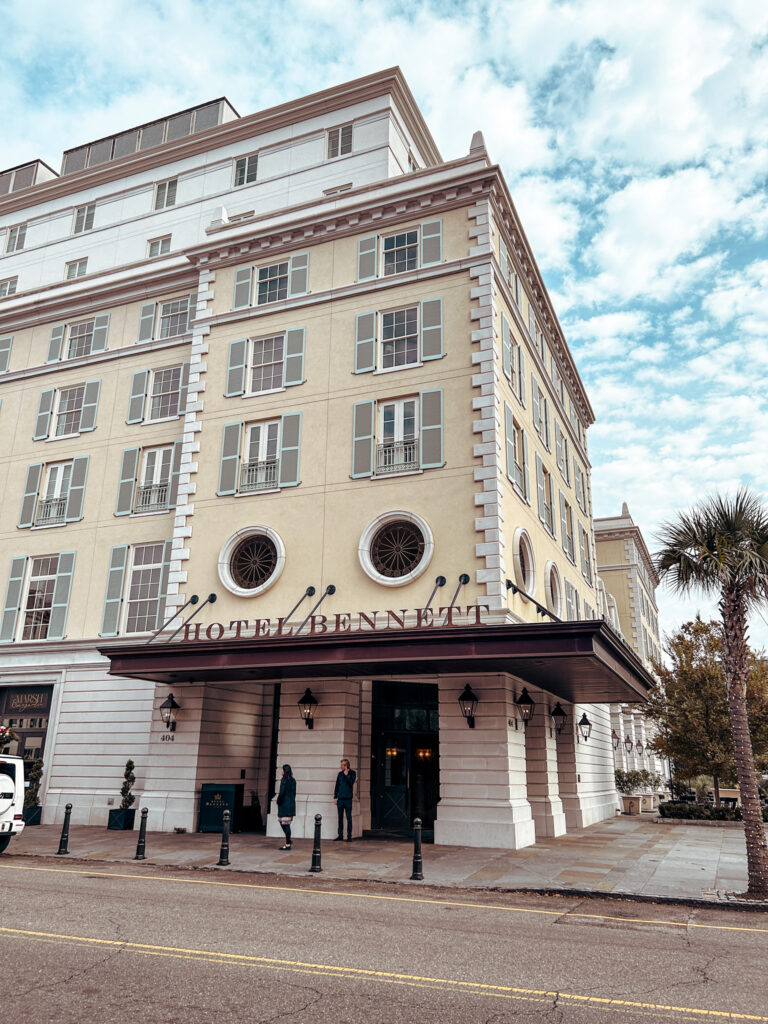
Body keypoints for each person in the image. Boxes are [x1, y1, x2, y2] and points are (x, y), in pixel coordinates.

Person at [333, 758, 356, 841]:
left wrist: (347, 775)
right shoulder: (339, 774)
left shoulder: (352, 773)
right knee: (340, 818)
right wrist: (335, 797)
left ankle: (349, 836)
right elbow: (337, 786)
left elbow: (351, 783)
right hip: (340, 799)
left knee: (349, 818)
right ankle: (340, 835)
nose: (340, 766)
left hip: (348, 799)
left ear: (346, 766)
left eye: (342, 765)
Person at [276, 764, 296, 849]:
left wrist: (278, 801)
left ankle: (288, 843)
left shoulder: (284, 780)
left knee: (285, 825)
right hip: (291, 804)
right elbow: (294, 793)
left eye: (282, 770)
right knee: (286, 824)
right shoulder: (293, 780)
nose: (281, 771)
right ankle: (288, 839)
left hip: (284, 804)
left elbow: (282, 792)